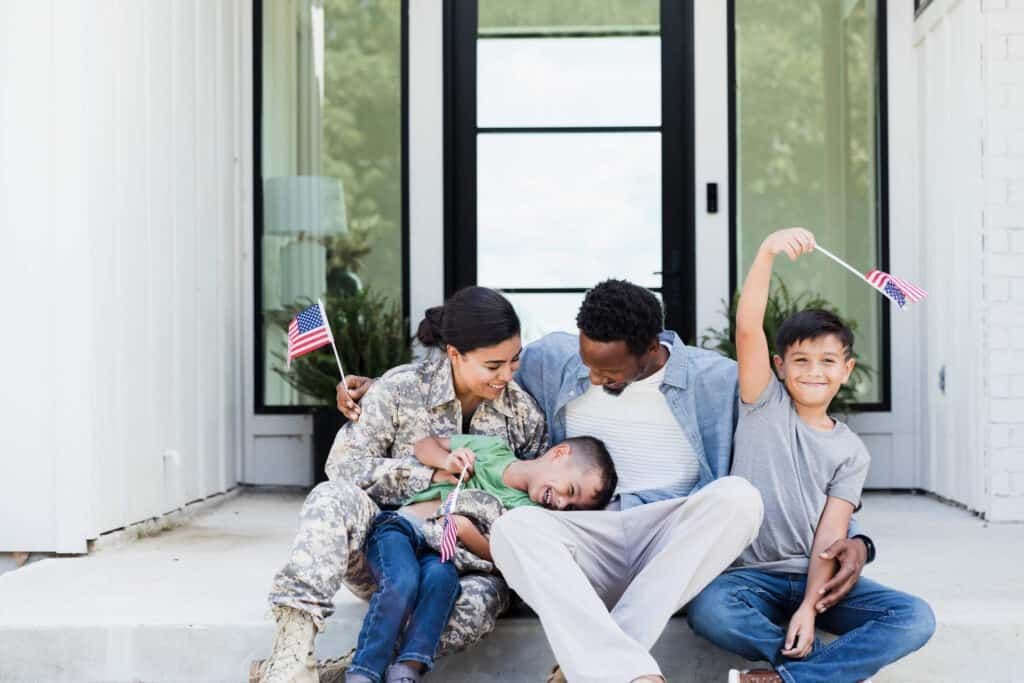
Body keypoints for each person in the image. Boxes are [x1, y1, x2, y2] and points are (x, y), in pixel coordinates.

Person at [338, 279, 880, 683]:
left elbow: (801, 440)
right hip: (584, 541)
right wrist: (380, 385)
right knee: (516, 528)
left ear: (651, 349)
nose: (595, 376)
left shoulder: (716, 379)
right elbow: (473, 363)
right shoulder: (552, 358)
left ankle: (593, 668)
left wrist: (856, 536)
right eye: (588, 363)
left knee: (739, 497)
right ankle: (631, 673)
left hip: (667, 545)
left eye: (610, 371)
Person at [255, 286, 548, 683]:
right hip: (384, 551)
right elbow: (343, 468)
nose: (507, 375)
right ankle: (291, 653)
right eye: (493, 365)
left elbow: (531, 513)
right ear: (454, 354)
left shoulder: (523, 415)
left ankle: (343, 671)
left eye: (515, 361)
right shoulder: (398, 389)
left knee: (476, 604)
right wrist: (426, 475)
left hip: (465, 565)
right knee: (330, 498)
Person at [685, 228, 935, 683]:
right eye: (801, 361)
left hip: (817, 581)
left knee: (915, 617)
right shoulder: (764, 404)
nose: (814, 371)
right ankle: (813, 667)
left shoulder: (851, 452)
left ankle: (786, 679)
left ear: (846, 370)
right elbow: (747, 327)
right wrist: (766, 252)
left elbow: (830, 536)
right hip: (748, 579)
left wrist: (807, 608)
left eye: (827, 361)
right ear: (779, 366)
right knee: (710, 611)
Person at [345, 432, 617, 683]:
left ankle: (407, 671)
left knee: (442, 582)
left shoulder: (530, 514)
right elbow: (425, 444)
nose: (560, 503)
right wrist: (446, 460)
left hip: (440, 551)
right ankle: (364, 670)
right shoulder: (493, 451)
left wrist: (467, 532)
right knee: (403, 580)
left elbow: (503, 557)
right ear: (559, 454)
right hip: (404, 527)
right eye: (569, 490)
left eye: (570, 507)